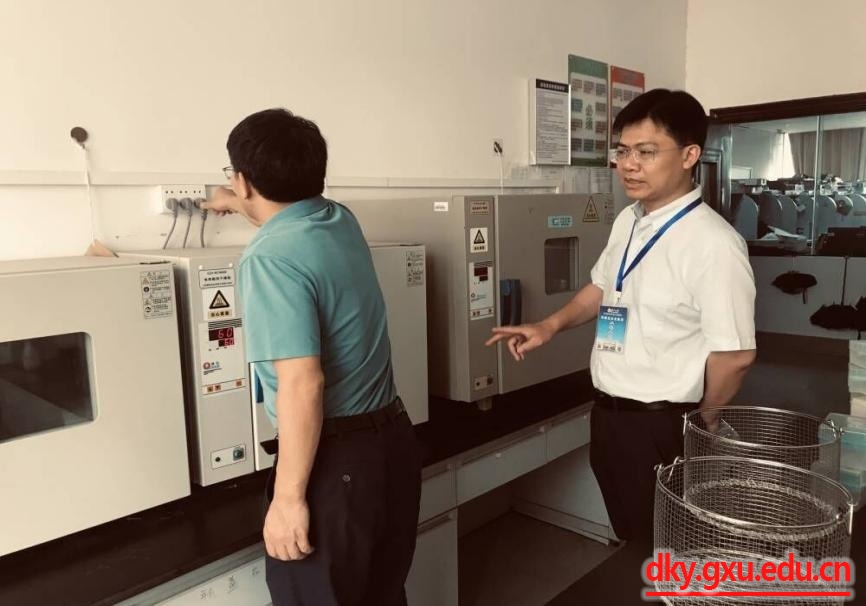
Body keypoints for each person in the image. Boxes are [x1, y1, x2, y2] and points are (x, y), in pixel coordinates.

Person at [486, 89, 756, 543]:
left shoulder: (714, 244)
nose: (628, 165)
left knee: (668, 545)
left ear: (690, 155)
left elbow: (735, 356)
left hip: (663, 423)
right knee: (634, 536)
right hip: (610, 414)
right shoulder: (630, 219)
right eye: (622, 151)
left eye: (646, 152)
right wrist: (549, 325)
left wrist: (703, 422)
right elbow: (602, 286)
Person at [204, 108, 422, 605]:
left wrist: (287, 500)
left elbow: (303, 383)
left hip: (333, 464)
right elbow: (283, 210)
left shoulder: (268, 258)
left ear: (244, 180)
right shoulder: (339, 219)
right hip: (391, 448)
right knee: (382, 595)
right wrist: (233, 201)